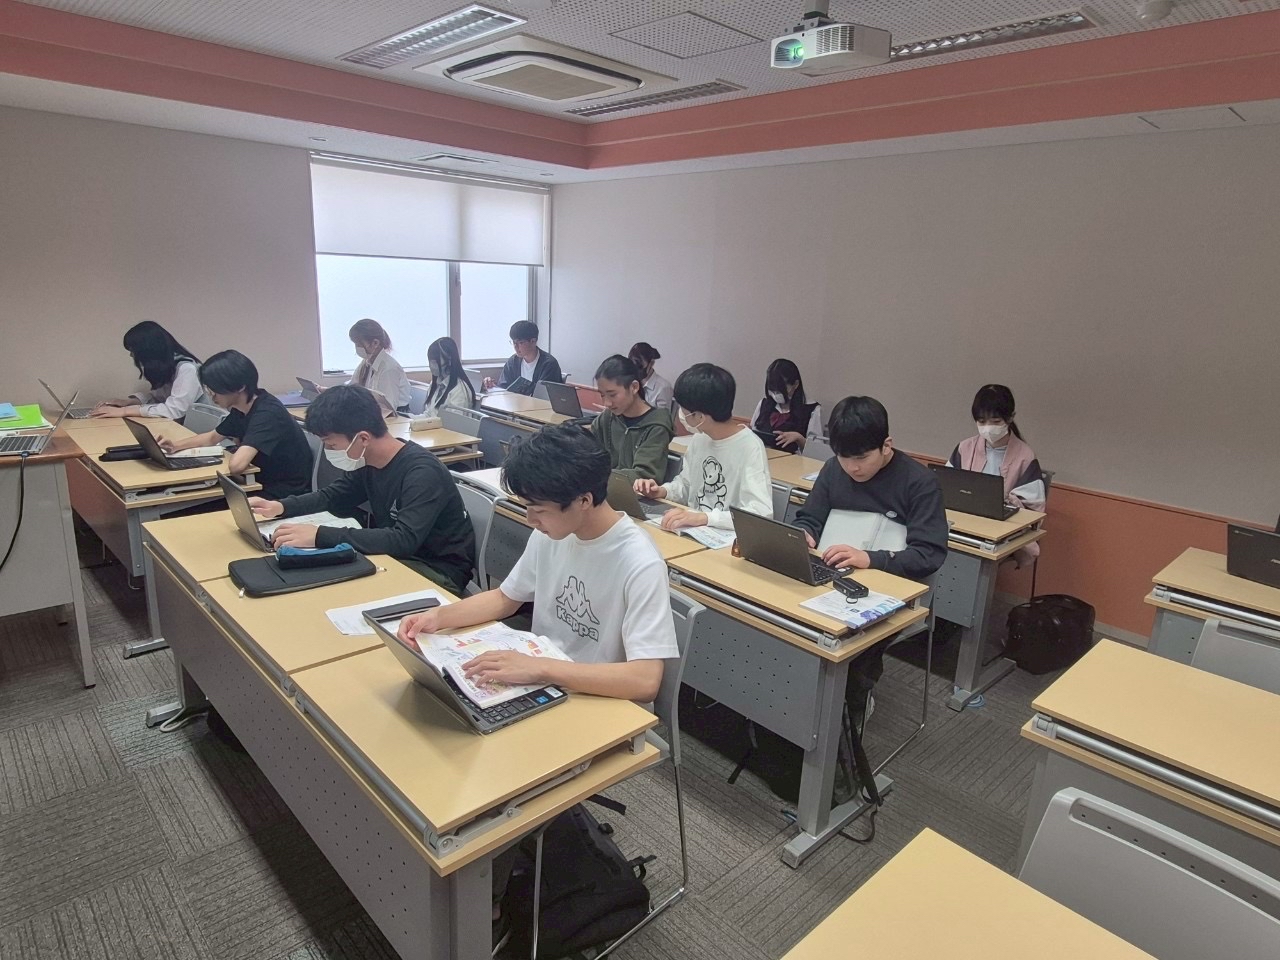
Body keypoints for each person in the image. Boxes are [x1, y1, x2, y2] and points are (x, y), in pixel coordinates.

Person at [398, 424, 678, 941]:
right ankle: (469, 891)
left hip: (595, 707)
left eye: (538, 510)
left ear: (584, 500)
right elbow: (507, 598)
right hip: (542, 685)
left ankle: (485, 911)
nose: (529, 519)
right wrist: (439, 617)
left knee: (477, 786)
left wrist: (541, 670)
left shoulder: (638, 561)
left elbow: (645, 680)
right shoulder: (555, 531)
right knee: (435, 731)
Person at [794, 395, 948, 731]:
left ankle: (848, 715)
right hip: (834, 577)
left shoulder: (919, 482)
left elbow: (929, 554)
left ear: (886, 445)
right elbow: (809, 517)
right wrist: (804, 533)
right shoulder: (833, 469)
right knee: (789, 623)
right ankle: (798, 710)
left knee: (852, 646)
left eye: (862, 458)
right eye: (843, 457)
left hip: (891, 591)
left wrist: (870, 558)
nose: (852, 468)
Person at [248, 384, 475, 594]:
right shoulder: (369, 461)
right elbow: (334, 496)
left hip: (437, 571)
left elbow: (403, 540)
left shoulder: (422, 472)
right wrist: (280, 506)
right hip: (396, 556)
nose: (328, 451)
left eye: (331, 444)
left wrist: (320, 536)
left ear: (363, 438)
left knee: (333, 586)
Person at [634, 363, 771, 531]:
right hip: (693, 530)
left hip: (724, 536)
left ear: (699, 417)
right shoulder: (700, 438)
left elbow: (760, 514)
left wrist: (705, 518)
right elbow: (686, 485)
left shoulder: (749, 446)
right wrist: (662, 491)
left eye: (683, 410)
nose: (680, 415)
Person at [161, 350, 312, 500]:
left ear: (240, 387)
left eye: (216, 389)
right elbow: (212, 437)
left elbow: (237, 466)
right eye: (209, 389)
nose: (212, 395)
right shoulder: (241, 408)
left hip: (282, 491)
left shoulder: (267, 413)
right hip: (258, 481)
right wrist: (175, 446)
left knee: (193, 503)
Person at [948, 383, 1045, 563]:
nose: (988, 427)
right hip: (964, 522)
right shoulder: (965, 448)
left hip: (1002, 530)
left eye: (996, 421)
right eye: (982, 421)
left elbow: (1032, 508)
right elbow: (947, 485)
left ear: (1010, 418)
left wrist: (1005, 503)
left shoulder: (1025, 456)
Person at [91, 321, 201, 421]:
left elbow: (174, 410)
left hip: (192, 430)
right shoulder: (166, 366)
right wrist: (127, 403)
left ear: (148, 350)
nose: (131, 355)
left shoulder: (187, 369)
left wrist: (124, 411)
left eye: (133, 350)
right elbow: (158, 399)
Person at [590, 354, 674, 482]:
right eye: (602, 395)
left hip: (633, 493)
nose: (606, 403)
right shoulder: (607, 418)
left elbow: (643, 476)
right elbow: (588, 454)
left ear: (634, 387)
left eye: (612, 395)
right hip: (603, 488)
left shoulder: (656, 427)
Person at [749, 358, 823, 452]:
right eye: (773, 390)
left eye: (780, 390)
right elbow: (754, 433)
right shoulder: (764, 404)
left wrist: (799, 438)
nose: (776, 394)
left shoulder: (811, 410)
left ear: (795, 384)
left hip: (794, 459)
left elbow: (817, 451)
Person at [348, 318, 411, 414]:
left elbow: (388, 409)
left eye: (359, 344)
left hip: (396, 417)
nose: (357, 348)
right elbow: (353, 387)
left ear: (375, 343)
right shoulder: (366, 363)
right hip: (375, 413)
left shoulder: (389, 368)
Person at [483, 320, 563, 392]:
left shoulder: (549, 364)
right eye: (514, 342)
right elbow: (504, 388)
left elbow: (543, 395)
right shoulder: (513, 362)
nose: (516, 347)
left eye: (520, 343)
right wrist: (492, 386)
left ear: (533, 341)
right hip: (515, 403)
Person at [422, 336, 475, 416]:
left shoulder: (459, 390)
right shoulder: (436, 383)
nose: (431, 365)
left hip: (446, 424)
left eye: (435, 361)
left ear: (449, 360)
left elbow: (454, 421)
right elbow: (428, 414)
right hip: (433, 424)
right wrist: (410, 419)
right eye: (430, 361)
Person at [628, 341, 673, 412]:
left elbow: (664, 416)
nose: (636, 371)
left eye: (640, 366)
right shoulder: (630, 383)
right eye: (633, 366)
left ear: (651, 363)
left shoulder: (663, 387)